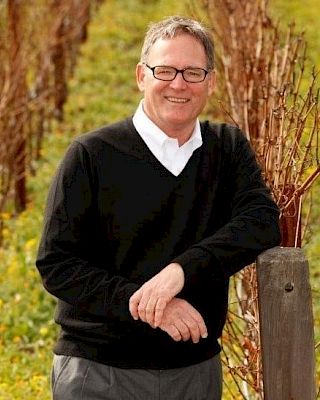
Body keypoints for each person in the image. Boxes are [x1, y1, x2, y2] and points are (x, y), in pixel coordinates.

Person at [36, 15, 281, 400]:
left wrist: (180, 271)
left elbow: (262, 222)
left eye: (193, 72)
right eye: (164, 70)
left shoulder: (227, 148)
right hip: (100, 373)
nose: (178, 84)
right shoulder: (91, 155)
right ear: (141, 76)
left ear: (211, 81)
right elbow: (58, 265)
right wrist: (151, 306)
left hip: (193, 373)